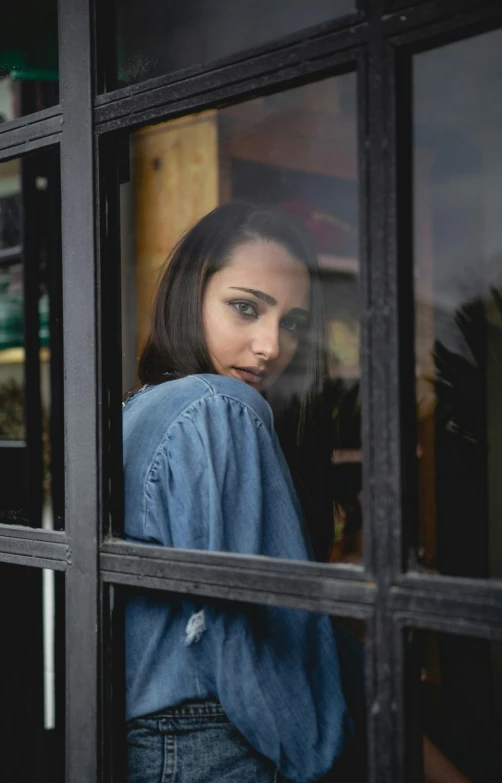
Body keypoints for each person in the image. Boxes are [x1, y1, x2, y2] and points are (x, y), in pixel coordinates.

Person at [123, 202, 471, 783]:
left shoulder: (140, 409)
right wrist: (331, 763)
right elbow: (253, 644)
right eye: (245, 308)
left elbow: (306, 633)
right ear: (190, 295)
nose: (270, 346)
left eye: (291, 324)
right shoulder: (218, 405)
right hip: (221, 749)